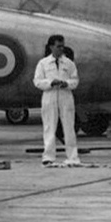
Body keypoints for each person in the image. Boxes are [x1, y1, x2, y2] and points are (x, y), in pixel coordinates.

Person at [34, 34, 80, 166]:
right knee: (49, 126)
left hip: (65, 95)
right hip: (50, 95)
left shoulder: (69, 63)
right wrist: (50, 83)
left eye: (62, 46)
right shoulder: (43, 63)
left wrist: (67, 84)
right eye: (58, 46)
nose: (61, 49)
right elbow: (37, 81)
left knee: (69, 127)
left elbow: (75, 80)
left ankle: (72, 157)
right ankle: (48, 156)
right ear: (51, 47)